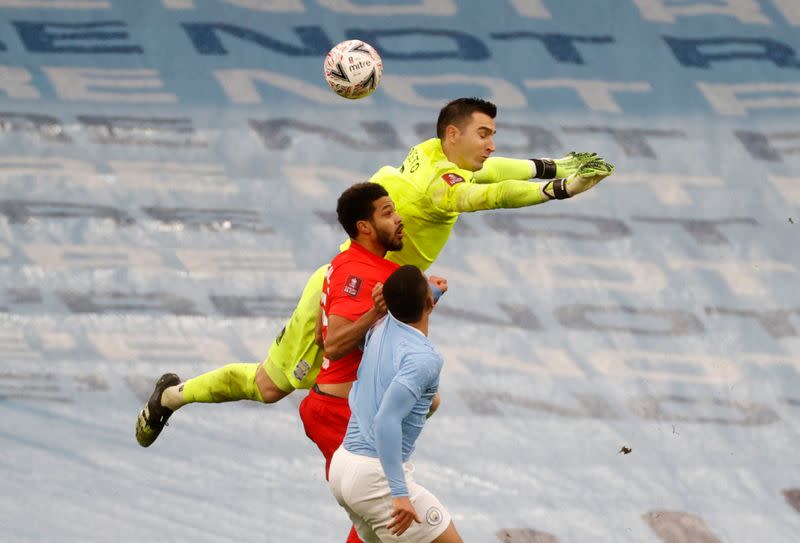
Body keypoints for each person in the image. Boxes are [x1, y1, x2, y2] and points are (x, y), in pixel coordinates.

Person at [135, 97, 614, 447]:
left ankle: (383, 468)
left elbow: (491, 173)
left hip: (388, 298)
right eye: (483, 134)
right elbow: (485, 195)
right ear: (454, 134)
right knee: (269, 386)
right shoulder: (439, 184)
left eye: (492, 135)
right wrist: (560, 189)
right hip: (345, 290)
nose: (491, 145)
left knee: (426, 397)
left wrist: (555, 164)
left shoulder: (432, 151)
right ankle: (171, 398)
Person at [299, 182, 446, 543]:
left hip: (345, 405)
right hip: (340, 409)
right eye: (388, 213)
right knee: (384, 507)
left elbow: (325, 335)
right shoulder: (357, 273)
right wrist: (373, 313)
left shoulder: (363, 265)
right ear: (364, 227)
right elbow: (332, 343)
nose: (399, 220)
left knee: (372, 518)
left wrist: (431, 294)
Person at [329, 264, 458, 543]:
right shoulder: (424, 359)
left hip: (343, 467)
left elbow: (409, 305)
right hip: (377, 477)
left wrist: (433, 290)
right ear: (427, 304)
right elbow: (386, 421)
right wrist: (399, 494)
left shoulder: (381, 325)